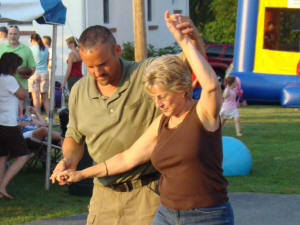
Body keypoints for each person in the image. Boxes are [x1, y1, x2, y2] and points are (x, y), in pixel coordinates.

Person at [51, 10, 233, 225]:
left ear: (117, 51)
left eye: (103, 64)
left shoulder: (148, 75)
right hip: (107, 196)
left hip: (151, 196)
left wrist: (189, 39)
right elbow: (85, 140)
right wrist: (72, 165)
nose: (97, 72)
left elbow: (196, 71)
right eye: (89, 66)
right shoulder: (81, 90)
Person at [0, 53, 30, 200]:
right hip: (8, 124)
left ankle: (0, 190)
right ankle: (3, 186)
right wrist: (17, 78)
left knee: (2, 157)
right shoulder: (10, 79)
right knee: (23, 155)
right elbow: (23, 95)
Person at [0, 25, 36, 118]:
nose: (12, 36)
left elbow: (32, 67)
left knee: (22, 114)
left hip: (21, 86)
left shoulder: (26, 49)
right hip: (4, 87)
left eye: (15, 34)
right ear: (7, 35)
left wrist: (27, 74)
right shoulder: (1, 48)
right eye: (10, 34)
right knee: (7, 113)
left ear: (19, 35)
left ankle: (20, 130)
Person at [28, 33, 50, 116]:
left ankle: (38, 116)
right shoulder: (46, 49)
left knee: (35, 97)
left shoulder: (31, 49)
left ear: (32, 40)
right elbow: (47, 61)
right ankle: (49, 117)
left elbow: (29, 62)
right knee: (45, 98)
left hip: (35, 73)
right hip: (45, 73)